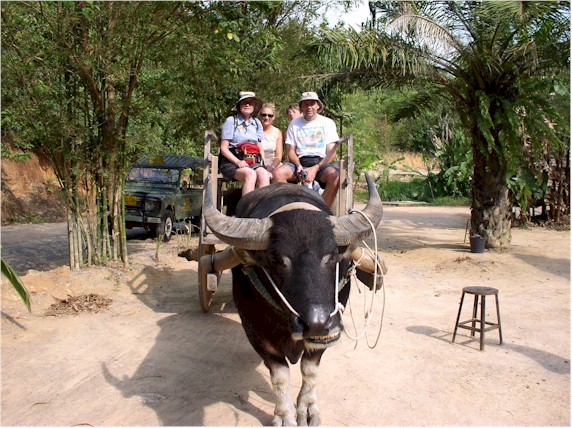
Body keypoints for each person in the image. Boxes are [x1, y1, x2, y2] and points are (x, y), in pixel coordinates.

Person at [273, 92, 340, 207]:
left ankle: (322, 210)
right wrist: (298, 165)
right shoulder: (294, 124)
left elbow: (331, 153)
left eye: (312, 103)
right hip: (299, 163)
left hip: (321, 163)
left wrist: (315, 168)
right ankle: (291, 207)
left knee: (335, 176)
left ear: (318, 105)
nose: (309, 107)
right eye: (305, 104)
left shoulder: (328, 123)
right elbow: (291, 151)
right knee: (278, 173)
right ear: (301, 107)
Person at [219, 91, 271, 196]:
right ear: (239, 105)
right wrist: (237, 161)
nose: (247, 105)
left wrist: (264, 165)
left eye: (250, 103)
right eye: (244, 102)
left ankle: (263, 205)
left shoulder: (256, 123)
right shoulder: (231, 121)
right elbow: (223, 148)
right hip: (232, 162)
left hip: (252, 161)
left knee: (264, 174)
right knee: (250, 174)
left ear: (254, 106)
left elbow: (259, 147)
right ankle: (247, 205)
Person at [259, 103, 283, 179]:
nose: (266, 117)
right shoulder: (254, 131)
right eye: (264, 115)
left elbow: (278, 156)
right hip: (258, 166)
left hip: (273, 165)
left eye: (270, 115)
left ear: (273, 117)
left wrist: (272, 167)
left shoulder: (277, 132)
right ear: (260, 116)